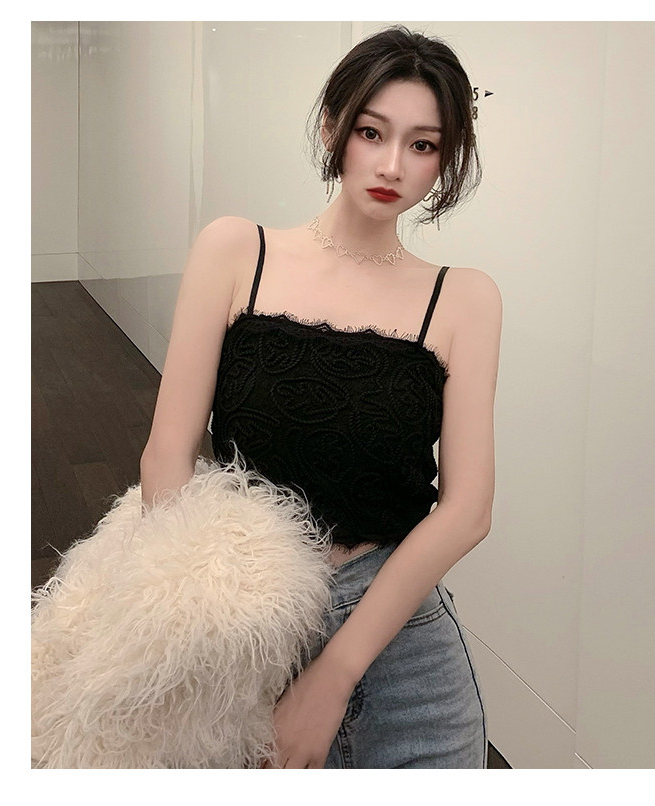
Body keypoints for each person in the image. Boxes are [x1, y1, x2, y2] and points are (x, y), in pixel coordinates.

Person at [139, 25, 502, 769]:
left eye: (423, 145)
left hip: (403, 651)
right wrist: (197, 629)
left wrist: (333, 677)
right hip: (249, 623)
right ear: (333, 125)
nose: (392, 165)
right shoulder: (237, 251)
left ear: (445, 160)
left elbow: (467, 510)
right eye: (372, 132)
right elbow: (167, 457)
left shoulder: (464, 299)